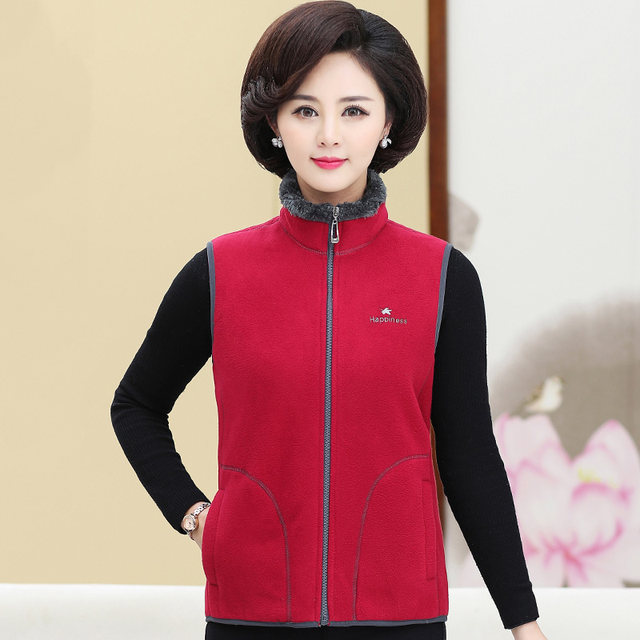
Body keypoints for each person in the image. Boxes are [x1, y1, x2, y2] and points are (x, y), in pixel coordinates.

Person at [111, 2, 548, 639]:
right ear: (275, 122)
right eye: (305, 110)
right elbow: (136, 405)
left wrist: (523, 623)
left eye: (354, 111)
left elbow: (470, 454)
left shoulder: (443, 278)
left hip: (401, 617)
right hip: (252, 614)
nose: (328, 136)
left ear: (388, 121)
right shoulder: (219, 271)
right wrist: (196, 516)